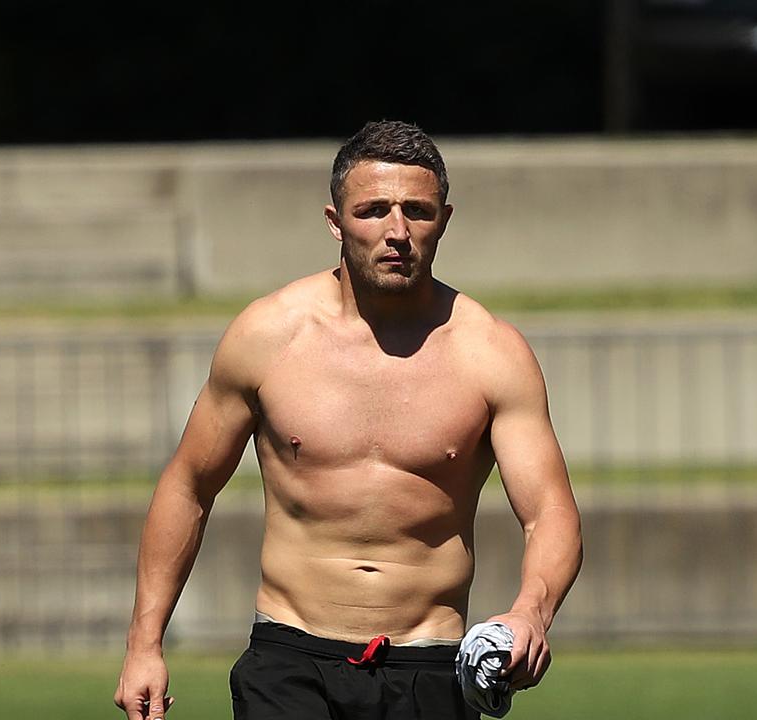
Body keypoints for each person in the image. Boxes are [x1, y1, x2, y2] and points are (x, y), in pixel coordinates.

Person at [114, 120, 583, 720]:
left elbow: (549, 512)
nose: (397, 232)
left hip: (428, 665)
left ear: (444, 220)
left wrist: (530, 611)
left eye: (418, 211)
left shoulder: (491, 352)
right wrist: (143, 644)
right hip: (290, 660)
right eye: (374, 210)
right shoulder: (268, 336)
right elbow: (189, 486)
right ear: (335, 222)